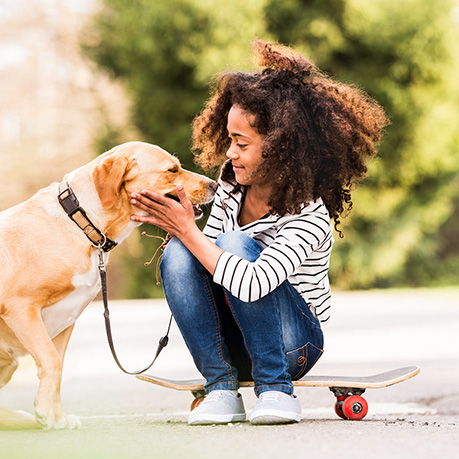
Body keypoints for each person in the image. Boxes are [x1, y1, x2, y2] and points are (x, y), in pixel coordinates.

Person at [130, 40, 388, 425]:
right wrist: (179, 228)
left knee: (233, 244)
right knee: (180, 254)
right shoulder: (232, 186)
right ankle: (220, 388)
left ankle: (276, 391)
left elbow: (252, 282)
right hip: (235, 339)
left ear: (282, 148)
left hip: (294, 345)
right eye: (229, 139)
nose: (229, 153)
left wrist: (187, 230)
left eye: (241, 143)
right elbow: (207, 257)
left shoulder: (309, 214)